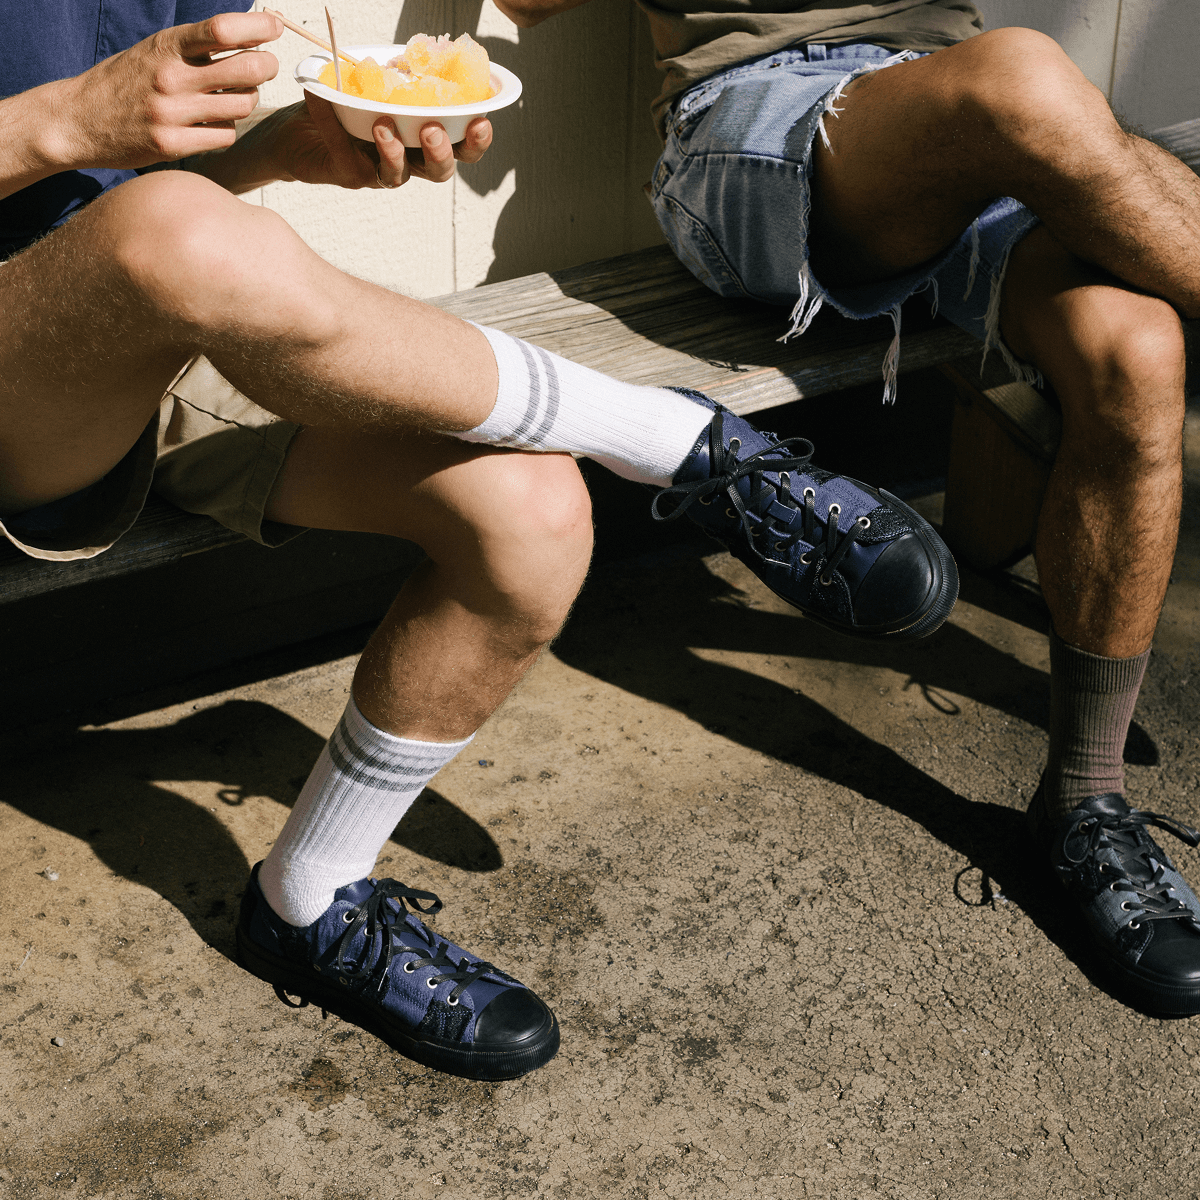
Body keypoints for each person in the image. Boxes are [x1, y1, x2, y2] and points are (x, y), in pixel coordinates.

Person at [0, 6, 956, 1080]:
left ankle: (305, 901)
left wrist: (278, 154)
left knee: (530, 515)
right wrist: (57, 122)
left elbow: (133, 219)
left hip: (148, 334)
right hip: (23, 387)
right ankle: (680, 439)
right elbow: (133, 215)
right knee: (174, 228)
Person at [491, 0, 1200, 1016]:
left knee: (1140, 354)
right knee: (1027, 79)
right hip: (759, 123)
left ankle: (1085, 803)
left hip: (959, 117)